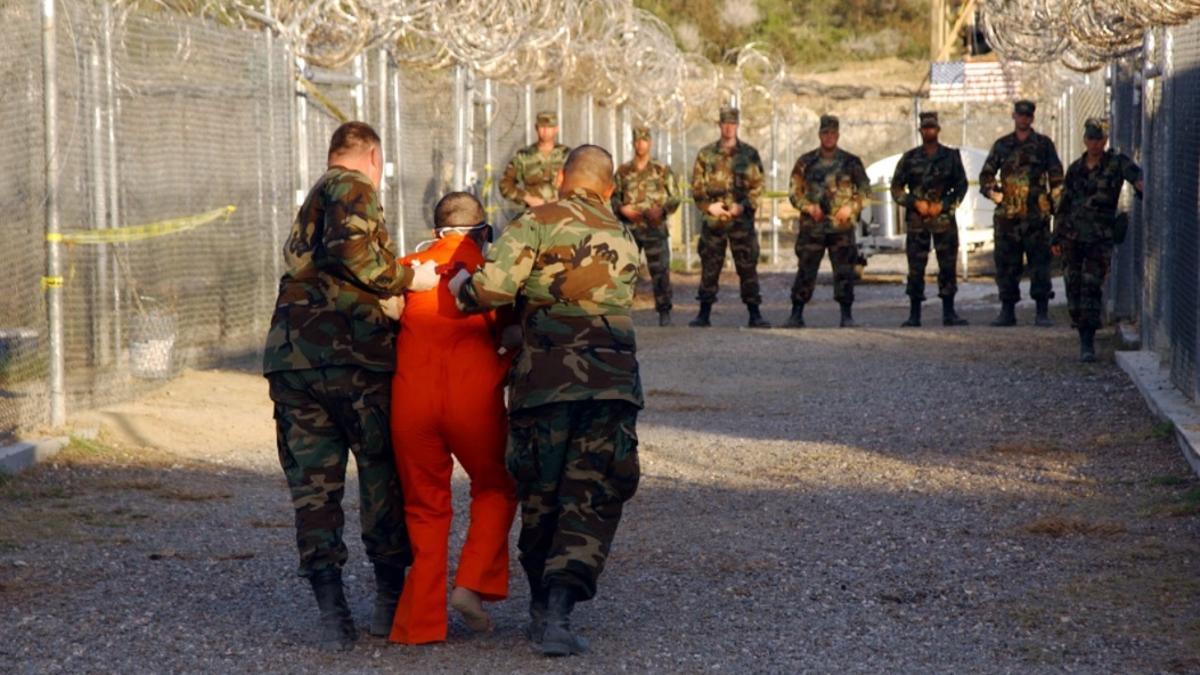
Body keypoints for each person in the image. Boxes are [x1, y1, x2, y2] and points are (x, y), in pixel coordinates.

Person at [448, 145, 643, 657]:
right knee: (593, 491)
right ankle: (558, 609)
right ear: (609, 188)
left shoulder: (534, 221)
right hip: (611, 382)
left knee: (542, 488)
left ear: (560, 178)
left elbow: (492, 289)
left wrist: (462, 287)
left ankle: (541, 605)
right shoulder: (624, 236)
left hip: (546, 382)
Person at [262, 121, 439, 652]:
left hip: (296, 361)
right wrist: (410, 282)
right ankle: (388, 602)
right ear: (373, 156)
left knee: (314, 491)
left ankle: (332, 611)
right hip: (353, 361)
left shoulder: (315, 196)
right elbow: (353, 252)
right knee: (382, 477)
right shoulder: (350, 186)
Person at [386, 193, 519, 644]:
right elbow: (513, 332)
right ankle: (471, 585)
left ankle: (418, 625)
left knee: (424, 507)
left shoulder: (408, 267)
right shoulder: (489, 274)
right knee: (497, 485)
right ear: (482, 231)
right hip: (473, 398)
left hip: (412, 401)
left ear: (435, 228)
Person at [1051, 118, 1143, 362]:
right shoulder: (1076, 169)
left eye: (1099, 138)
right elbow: (1064, 204)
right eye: (1091, 138)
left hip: (1099, 239)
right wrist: (1056, 236)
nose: (1095, 143)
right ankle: (1080, 326)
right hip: (1072, 237)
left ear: (1105, 140)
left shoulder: (1115, 164)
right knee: (1073, 287)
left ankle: (1087, 342)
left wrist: (1142, 187)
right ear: (1085, 140)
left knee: (1091, 287)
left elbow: (1137, 178)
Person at [979, 99, 1064, 327]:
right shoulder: (1002, 145)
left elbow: (1056, 177)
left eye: (1028, 115)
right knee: (1007, 265)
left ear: (1032, 118)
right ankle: (1007, 310)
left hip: (1036, 216)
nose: (1024, 119)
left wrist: (1056, 206)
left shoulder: (1043, 145)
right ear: (1014, 116)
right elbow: (986, 175)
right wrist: (991, 191)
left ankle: (1042, 311)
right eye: (1020, 115)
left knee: (1040, 264)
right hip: (1008, 216)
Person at [786, 114, 870, 328]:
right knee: (806, 269)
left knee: (844, 271)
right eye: (825, 133)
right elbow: (794, 193)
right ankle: (796, 314)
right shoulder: (805, 162)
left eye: (833, 133)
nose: (829, 137)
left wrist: (850, 207)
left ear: (838, 135)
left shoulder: (851, 162)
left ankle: (846, 315)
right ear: (819, 135)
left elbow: (865, 191)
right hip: (812, 228)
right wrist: (808, 207)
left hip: (841, 228)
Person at [689, 105, 769, 328]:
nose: (729, 128)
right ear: (719, 125)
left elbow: (758, 187)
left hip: (740, 221)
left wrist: (743, 207)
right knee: (710, 266)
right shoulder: (706, 155)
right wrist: (708, 206)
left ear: (737, 125)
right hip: (714, 221)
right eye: (725, 123)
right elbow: (697, 187)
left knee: (747, 266)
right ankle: (704, 313)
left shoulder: (749, 155)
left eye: (732, 124)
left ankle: (755, 313)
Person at [890, 111, 970, 327]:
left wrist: (943, 205)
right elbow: (896, 188)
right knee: (916, 267)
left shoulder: (951, 156)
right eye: (925, 128)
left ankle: (949, 312)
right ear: (920, 130)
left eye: (932, 128)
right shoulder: (910, 158)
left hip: (943, 220)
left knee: (947, 265)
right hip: (918, 221)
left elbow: (961, 185)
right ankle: (914, 314)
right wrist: (914, 203)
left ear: (938, 129)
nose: (929, 131)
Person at [613, 125, 681, 326]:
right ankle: (622, 313)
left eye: (643, 140)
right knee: (625, 271)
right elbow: (614, 197)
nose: (640, 144)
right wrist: (622, 209)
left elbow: (675, 197)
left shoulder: (661, 170)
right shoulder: (623, 171)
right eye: (637, 140)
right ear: (633, 143)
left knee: (660, 271)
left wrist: (662, 210)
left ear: (650, 143)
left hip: (654, 228)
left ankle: (664, 312)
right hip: (630, 228)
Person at [500, 111, 571, 209]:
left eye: (549, 127)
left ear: (556, 129)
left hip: (561, 211)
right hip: (533, 212)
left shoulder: (567, 155)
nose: (545, 131)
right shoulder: (524, 156)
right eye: (542, 127)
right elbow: (505, 184)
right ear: (536, 128)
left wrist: (562, 197)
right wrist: (527, 198)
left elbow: (579, 183)